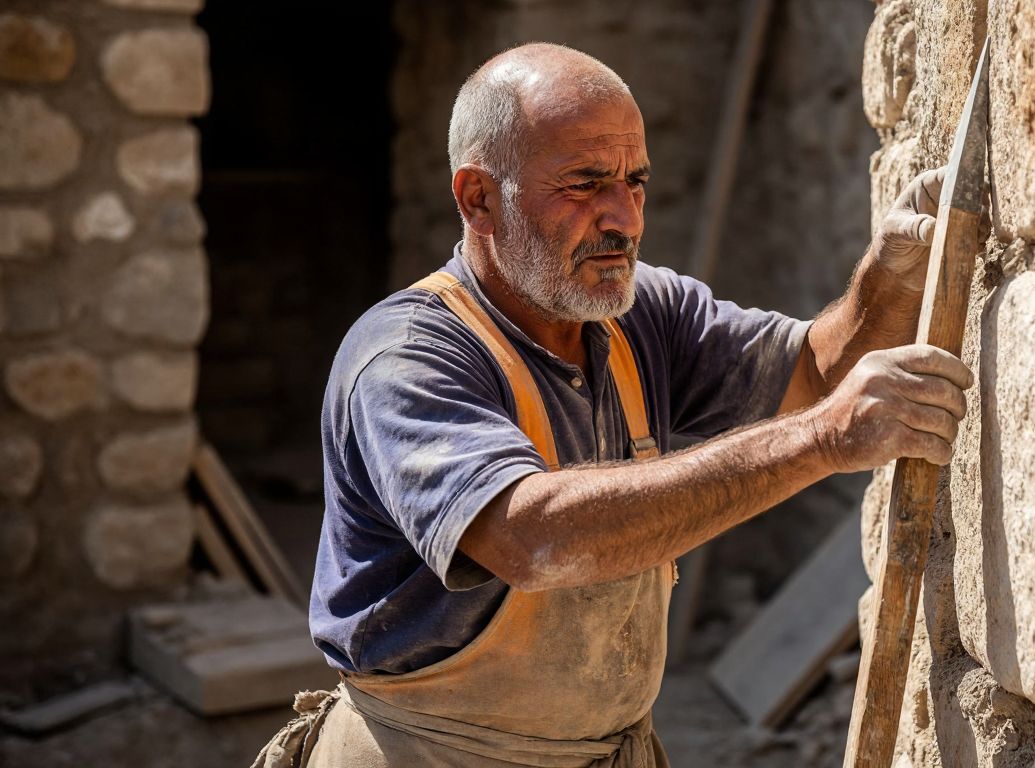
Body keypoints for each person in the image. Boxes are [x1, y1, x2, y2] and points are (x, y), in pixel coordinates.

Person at [253, 42, 972, 768]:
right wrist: (822, 441)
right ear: (478, 198)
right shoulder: (405, 356)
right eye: (585, 183)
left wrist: (887, 280)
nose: (623, 217)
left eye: (636, 181)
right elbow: (531, 539)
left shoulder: (638, 314)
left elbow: (816, 374)